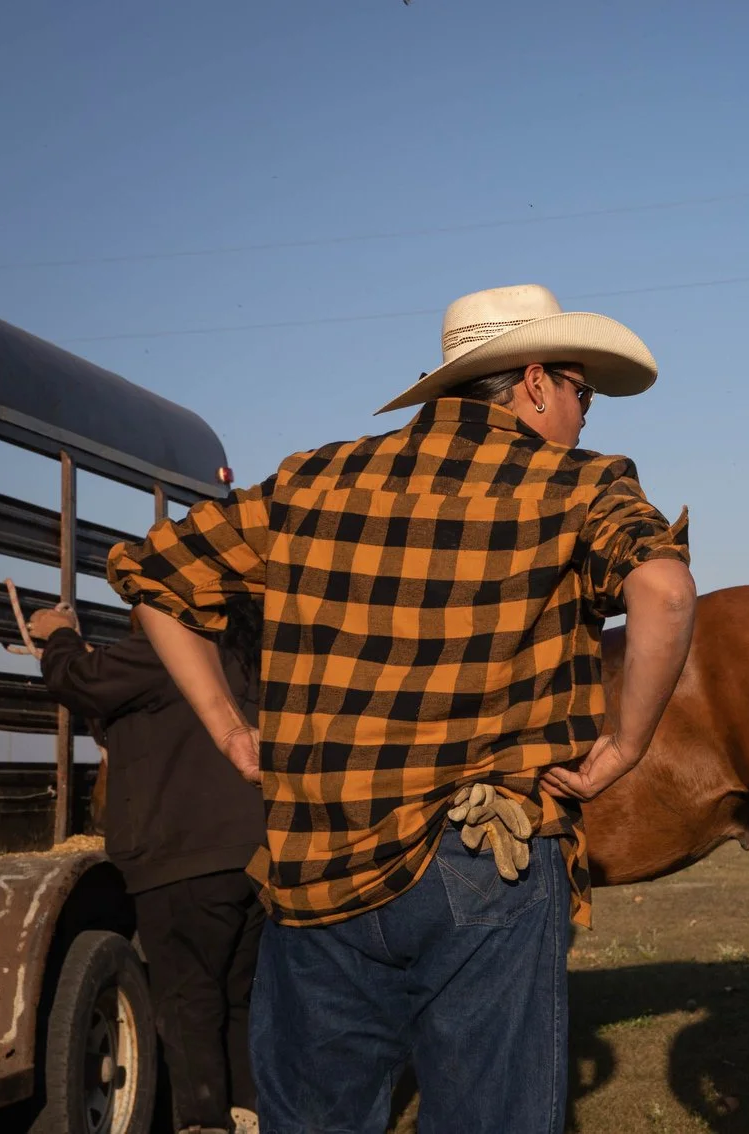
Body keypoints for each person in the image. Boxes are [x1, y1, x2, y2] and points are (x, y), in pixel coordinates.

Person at [106, 284, 698, 1133]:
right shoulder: (577, 484)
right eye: (581, 391)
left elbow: (155, 578)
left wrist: (234, 731)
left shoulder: (311, 479)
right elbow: (667, 591)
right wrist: (625, 745)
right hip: (481, 853)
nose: (584, 414)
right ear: (533, 382)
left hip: (316, 861)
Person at [31, 600, 265, 1134]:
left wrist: (59, 635)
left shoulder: (171, 645)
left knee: (187, 1003)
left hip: (182, 857)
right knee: (237, 1000)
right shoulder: (247, 653)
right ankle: (248, 1119)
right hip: (250, 858)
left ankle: (202, 1124)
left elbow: (78, 680)